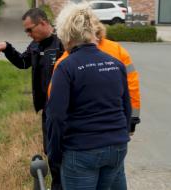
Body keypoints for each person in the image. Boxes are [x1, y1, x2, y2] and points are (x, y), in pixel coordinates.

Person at [46, 2, 131, 190]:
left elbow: (56, 117)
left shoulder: (66, 67)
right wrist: (120, 136)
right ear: (94, 32)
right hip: (116, 146)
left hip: (82, 150)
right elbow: (127, 107)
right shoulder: (116, 64)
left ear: (66, 36)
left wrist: (54, 153)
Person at [0, 8, 64, 190]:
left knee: (63, 155)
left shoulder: (62, 43)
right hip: (47, 111)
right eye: (26, 31)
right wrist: (8, 49)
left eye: (29, 30)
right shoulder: (35, 45)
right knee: (50, 153)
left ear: (42, 23)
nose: (28, 34)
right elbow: (23, 62)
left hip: (63, 111)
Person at [48, 17, 141, 136]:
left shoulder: (66, 59)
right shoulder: (117, 50)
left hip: (82, 133)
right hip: (116, 127)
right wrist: (132, 121)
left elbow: (54, 100)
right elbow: (132, 86)